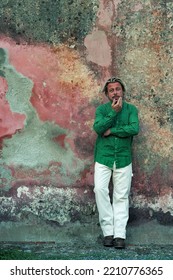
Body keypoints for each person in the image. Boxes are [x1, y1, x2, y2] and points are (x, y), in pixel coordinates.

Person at [93, 77, 139, 249]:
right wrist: (113, 113)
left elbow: (134, 129)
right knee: (100, 189)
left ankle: (119, 235)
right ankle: (108, 232)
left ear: (123, 91)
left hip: (123, 157)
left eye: (118, 89)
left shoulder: (131, 109)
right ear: (107, 94)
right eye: (111, 90)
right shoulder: (102, 110)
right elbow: (98, 129)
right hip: (103, 157)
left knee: (121, 195)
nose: (115, 92)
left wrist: (112, 130)